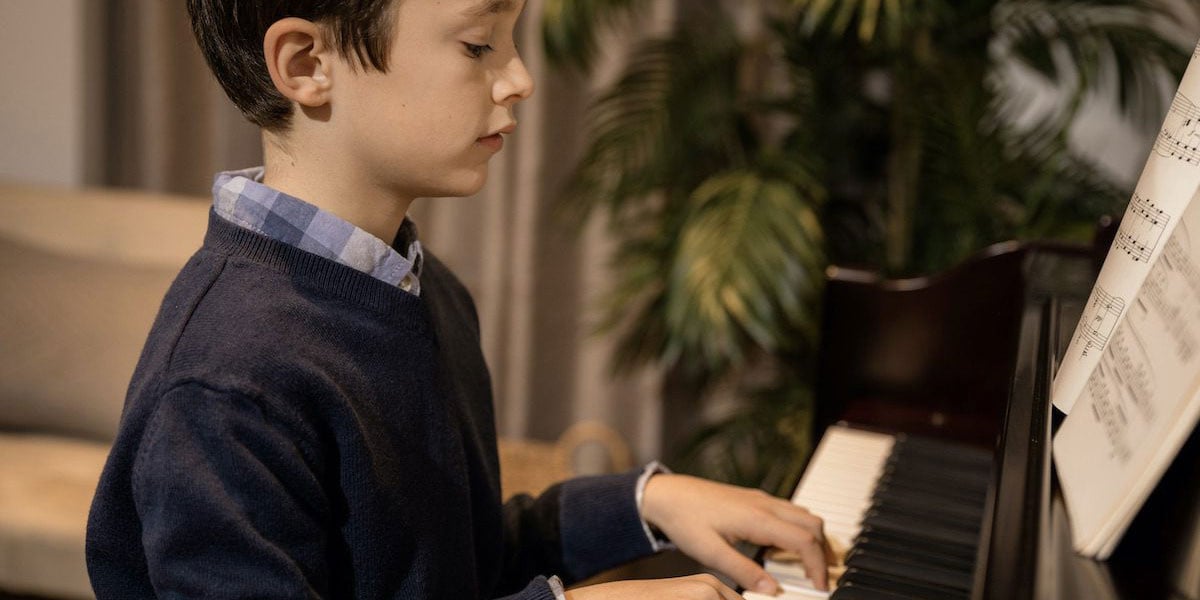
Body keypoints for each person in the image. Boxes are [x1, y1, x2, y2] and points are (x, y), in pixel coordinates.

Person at [85, 1, 831, 598]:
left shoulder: (420, 287)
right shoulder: (225, 386)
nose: (521, 79)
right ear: (309, 64)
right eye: (480, 45)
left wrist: (646, 505)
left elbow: (445, 564)